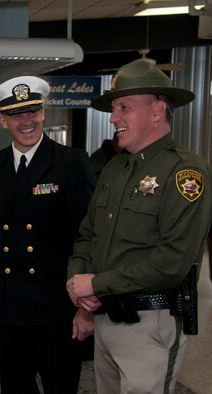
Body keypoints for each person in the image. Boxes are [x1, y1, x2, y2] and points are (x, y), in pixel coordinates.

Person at [67, 60, 212, 393]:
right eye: (114, 108)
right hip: (105, 316)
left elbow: (172, 262)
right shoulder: (116, 169)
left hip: (150, 324)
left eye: (124, 107)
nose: (113, 117)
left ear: (158, 110)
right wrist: (77, 283)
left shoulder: (185, 173)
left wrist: (97, 283)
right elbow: (87, 235)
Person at [0, 76, 96, 393]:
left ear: (44, 113)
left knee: (60, 386)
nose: (26, 121)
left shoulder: (70, 162)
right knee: (15, 387)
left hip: (57, 305)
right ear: (3, 120)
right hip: (10, 304)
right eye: (16, 115)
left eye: (32, 112)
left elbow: (88, 236)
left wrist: (86, 306)